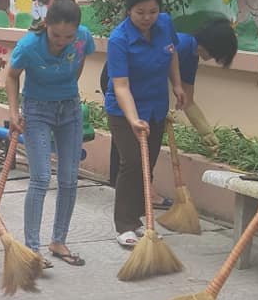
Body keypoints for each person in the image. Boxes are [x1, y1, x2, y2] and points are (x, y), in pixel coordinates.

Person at [4, 0, 94, 267]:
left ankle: (58, 241)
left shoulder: (83, 38)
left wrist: (68, 88)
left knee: (69, 178)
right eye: (56, 36)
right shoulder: (30, 45)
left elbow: (79, 62)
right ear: (46, 26)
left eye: (68, 37)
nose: (62, 42)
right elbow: (11, 75)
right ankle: (32, 249)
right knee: (41, 177)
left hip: (70, 109)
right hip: (37, 110)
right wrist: (14, 112)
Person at [102, 16, 238, 187]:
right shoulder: (181, 44)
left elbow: (187, 100)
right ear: (214, 47)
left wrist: (206, 133)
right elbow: (144, 73)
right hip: (119, 81)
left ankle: (133, 188)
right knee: (129, 141)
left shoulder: (192, 57)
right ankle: (133, 188)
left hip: (142, 94)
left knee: (137, 146)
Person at [104, 0, 186, 249]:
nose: (147, 18)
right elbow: (121, 86)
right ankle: (124, 225)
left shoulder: (165, 24)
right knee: (132, 162)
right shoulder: (119, 40)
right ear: (129, 10)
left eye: (152, 11)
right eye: (140, 12)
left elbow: (172, 54)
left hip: (156, 106)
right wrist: (133, 119)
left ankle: (140, 220)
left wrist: (177, 85)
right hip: (124, 110)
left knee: (146, 164)